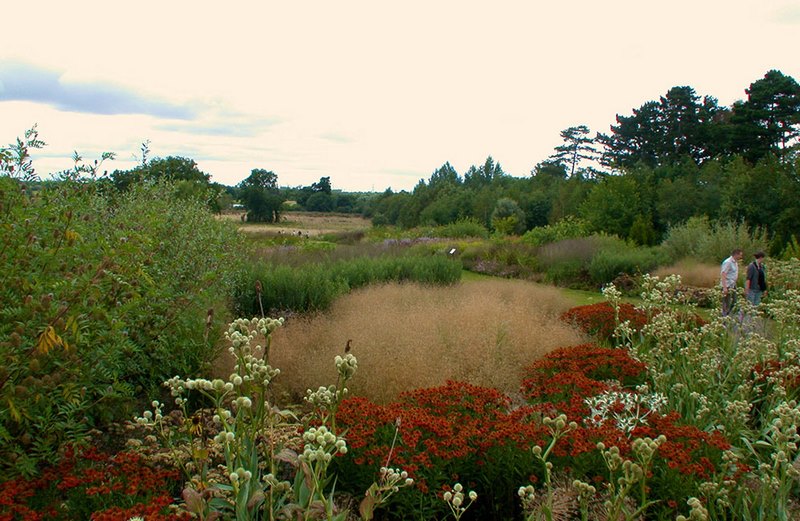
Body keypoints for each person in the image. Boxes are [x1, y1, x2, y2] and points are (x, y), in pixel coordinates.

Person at [720, 248, 743, 317]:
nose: (741, 257)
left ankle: (730, 315)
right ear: (736, 254)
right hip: (727, 285)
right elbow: (723, 274)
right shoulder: (728, 262)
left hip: (733, 285)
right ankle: (724, 317)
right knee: (726, 302)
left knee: (735, 301)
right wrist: (724, 287)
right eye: (740, 255)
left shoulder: (735, 262)